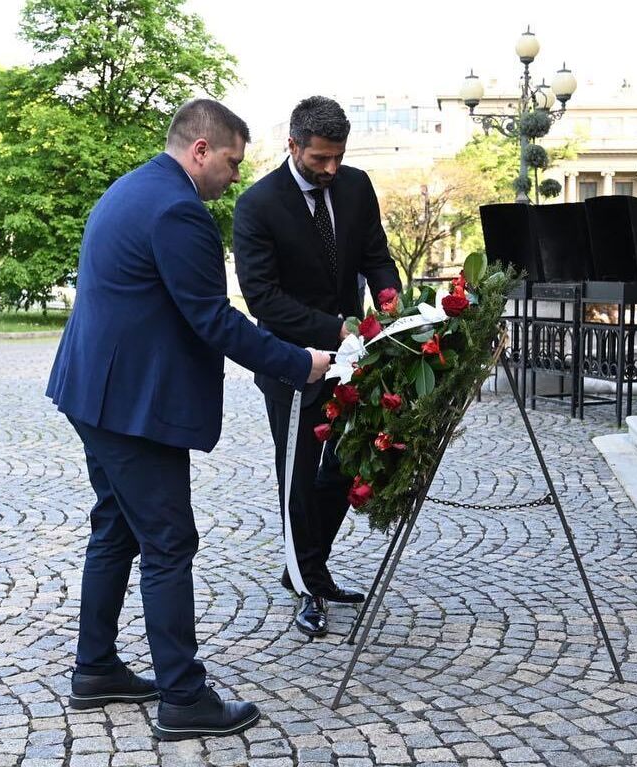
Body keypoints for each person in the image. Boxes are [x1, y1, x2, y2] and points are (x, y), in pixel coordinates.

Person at [45, 99, 331, 741]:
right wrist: (299, 363)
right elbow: (214, 319)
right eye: (231, 162)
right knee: (169, 542)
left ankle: (96, 669)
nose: (235, 177)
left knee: (117, 525)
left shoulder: (133, 187)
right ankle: (183, 697)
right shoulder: (178, 210)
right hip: (129, 407)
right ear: (200, 149)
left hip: (96, 391)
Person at [233, 96, 401, 638]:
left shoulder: (355, 186)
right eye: (319, 160)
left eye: (338, 158)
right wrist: (337, 330)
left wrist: (389, 295)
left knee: (352, 462)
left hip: (353, 361)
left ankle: (305, 562)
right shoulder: (257, 205)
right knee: (298, 477)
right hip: (291, 363)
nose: (330, 169)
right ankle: (308, 583)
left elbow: (374, 252)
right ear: (293, 145)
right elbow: (263, 298)